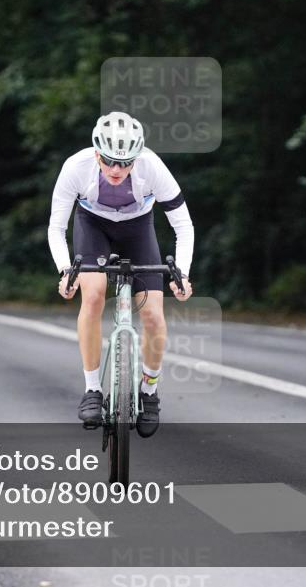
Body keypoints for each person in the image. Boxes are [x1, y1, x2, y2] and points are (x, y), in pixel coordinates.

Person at [48, 111, 194, 438]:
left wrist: (181, 272)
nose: (116, 170)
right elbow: (56, 227)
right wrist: (65, 270)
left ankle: (149, 391)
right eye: (110, 161)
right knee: (94, 293)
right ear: (97, 154)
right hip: (93, 225)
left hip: (138, 229)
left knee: (154, 316)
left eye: (125, 163)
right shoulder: (76, 167)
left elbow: (183, 225)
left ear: (136, 158)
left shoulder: (153, 167)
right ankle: (91, 390)